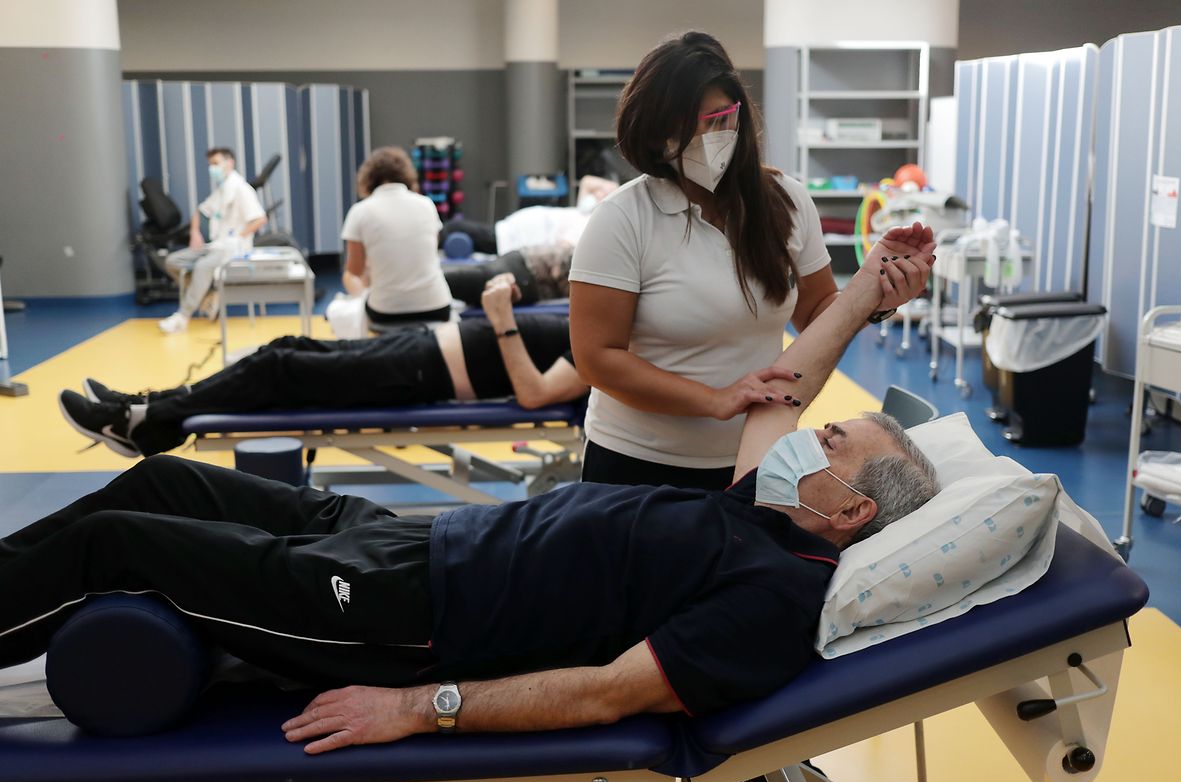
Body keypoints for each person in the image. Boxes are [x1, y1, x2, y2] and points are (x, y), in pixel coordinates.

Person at [1, 236, 936, 753]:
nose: (809, 428)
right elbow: (788, 387)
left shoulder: (776, 595)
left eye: (833, 442)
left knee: (119, 542)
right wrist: (867, 290)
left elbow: (608, 695)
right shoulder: (765, 511)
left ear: (853, 512)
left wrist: (419, 709)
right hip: (413, 538)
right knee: (166, 477)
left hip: (408, 615)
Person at [569, 33, 924, 490]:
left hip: (753, 459)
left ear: (739, 114)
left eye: (718, 119)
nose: (705, 139)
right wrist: (712, 399)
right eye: (683, 128)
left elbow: (818, 314)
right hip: (637, 464)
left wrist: (877, 294)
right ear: (656, 136)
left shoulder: (787, 203)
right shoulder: (623, 218)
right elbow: (596, 358)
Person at [58, 274, 585, 457]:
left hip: (420, 375)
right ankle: (145, 408)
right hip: (418, 351)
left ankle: (145, 427)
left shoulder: (609, 351)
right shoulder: (602, 327)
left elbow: (536, 394)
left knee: (276, 371)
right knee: (281, 348)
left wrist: (501, 317)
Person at [341, 147, 454, 332]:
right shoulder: (426, 205)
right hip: (437, 306)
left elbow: (354, 271)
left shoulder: (359, 212)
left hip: (386, 311)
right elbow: (428, 253)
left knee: (351, 277)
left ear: (367, 179)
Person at [159, 147, 267, 334]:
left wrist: (238, 238)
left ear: (229, 163)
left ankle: (183, 317)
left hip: (234, 248)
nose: (212, 169)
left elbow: (260, 219)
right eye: (210, 165)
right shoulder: (222, 190)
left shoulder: (242, 189)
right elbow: (200, 210)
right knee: (172, 261)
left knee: (203, 266)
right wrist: (194, 232)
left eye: (215, 164)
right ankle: (207, 297)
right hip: (216, 245)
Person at [440, 175, 619, 255]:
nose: (599, 194)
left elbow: (563, 250)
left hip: (511, 240)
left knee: (452, 228)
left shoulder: (588, 227)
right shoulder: (585, 211)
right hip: (512, 227)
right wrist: (611, 189)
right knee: (451, 228)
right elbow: (588, 181)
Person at [443, 242, 574, 307]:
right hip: (527, 272)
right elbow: (559, 272)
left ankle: (432, 284)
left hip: (523, 264)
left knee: (473, 286)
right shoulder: (583, 257)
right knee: (470, 282)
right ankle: (430, 285)